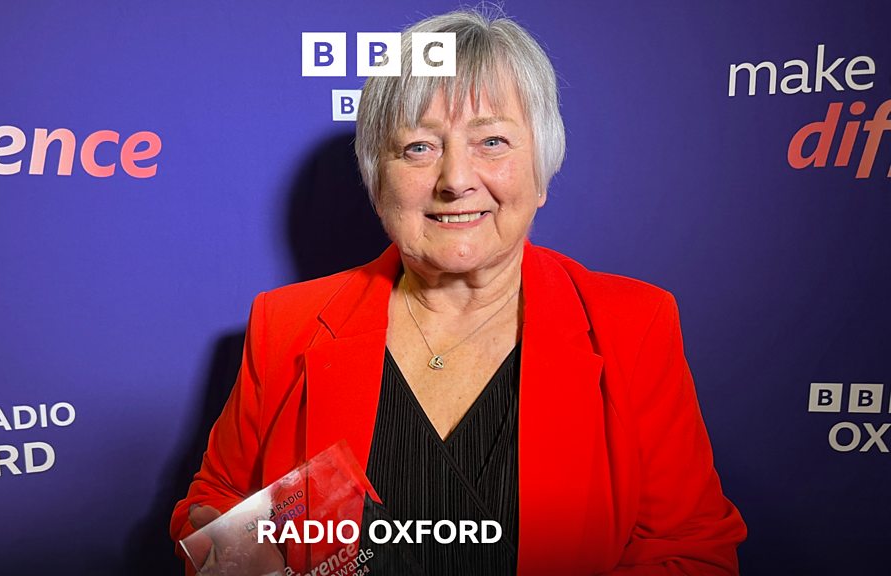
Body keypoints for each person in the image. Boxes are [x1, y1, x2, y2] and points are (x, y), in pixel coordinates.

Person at [171, 8, 746, 575]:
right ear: (377, 181)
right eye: (419, 147)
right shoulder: (285, 323)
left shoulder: (633, 324)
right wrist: (232, 550)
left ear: (541, 171)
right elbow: (217, 500)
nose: (456, 180)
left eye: (491, 141)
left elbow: (691, 551)